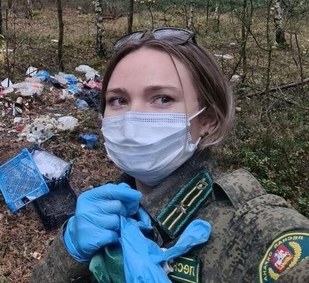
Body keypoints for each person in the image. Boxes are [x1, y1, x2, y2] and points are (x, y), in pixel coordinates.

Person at [30, 27, 309, 282]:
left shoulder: (253, 227)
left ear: (208, 119)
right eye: (118, 100)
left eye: (162, 98)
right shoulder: (101, 214)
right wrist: (69, 252)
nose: (132, 116)